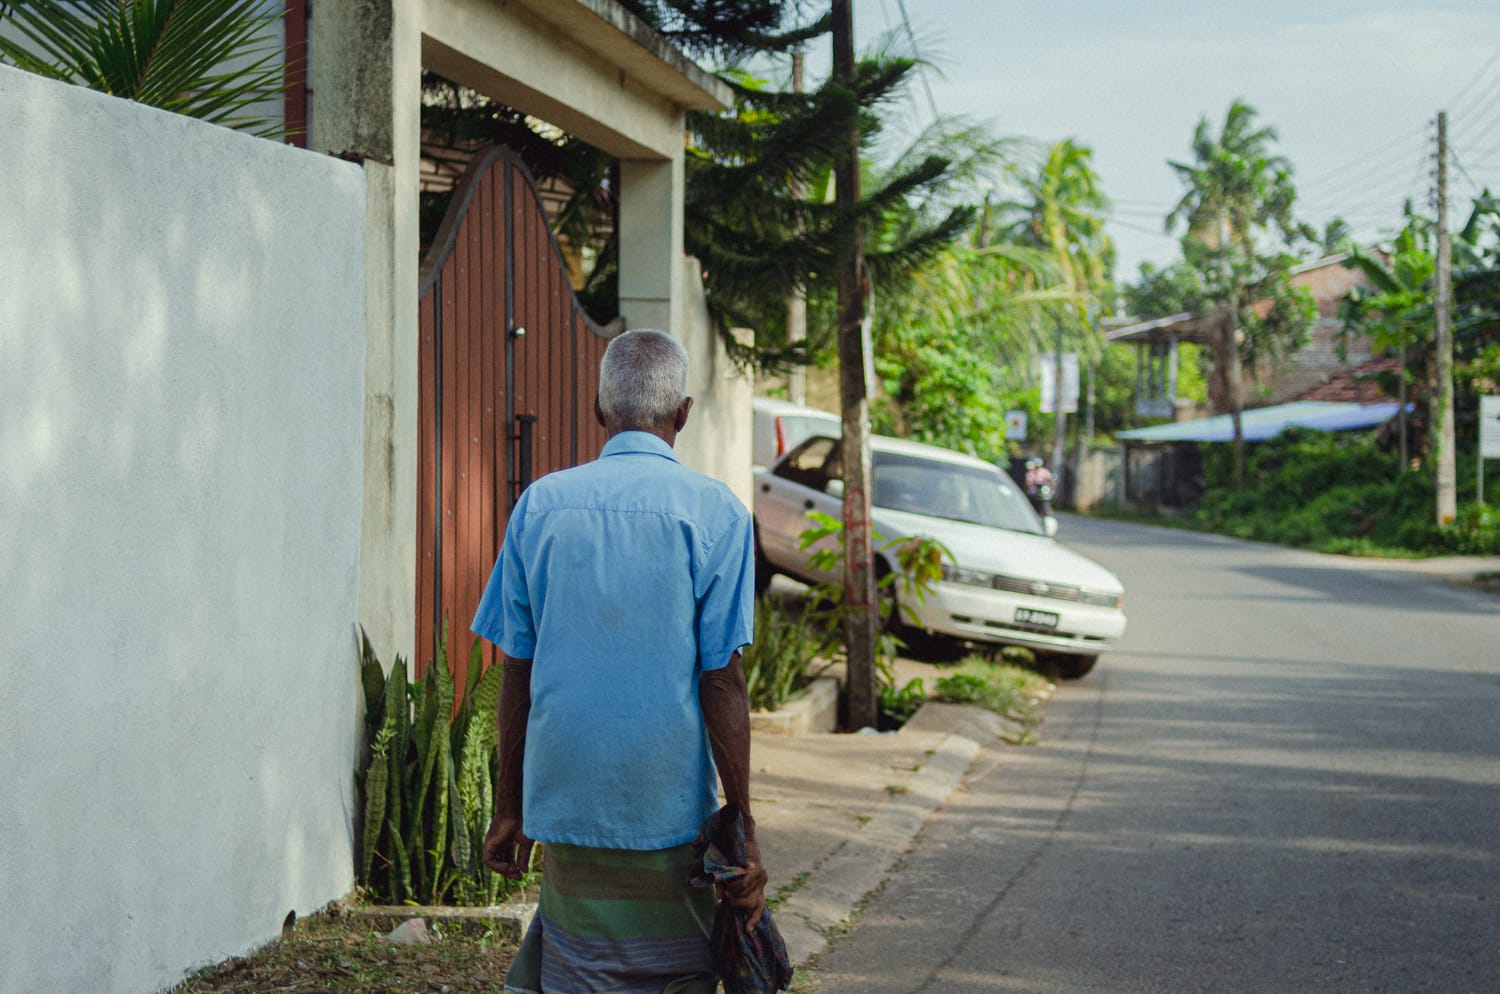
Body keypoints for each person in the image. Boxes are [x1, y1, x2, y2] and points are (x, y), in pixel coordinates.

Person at [472, 329, 767, 994]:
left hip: (567, 792)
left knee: (580, 968)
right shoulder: (716, 512)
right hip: (666, 800)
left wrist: (508, 808)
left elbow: (518, 669)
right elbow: (721, 679)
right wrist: (742, 827)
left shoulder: (541, 505)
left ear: (598, 410)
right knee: (674, 971)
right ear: (684, 414)